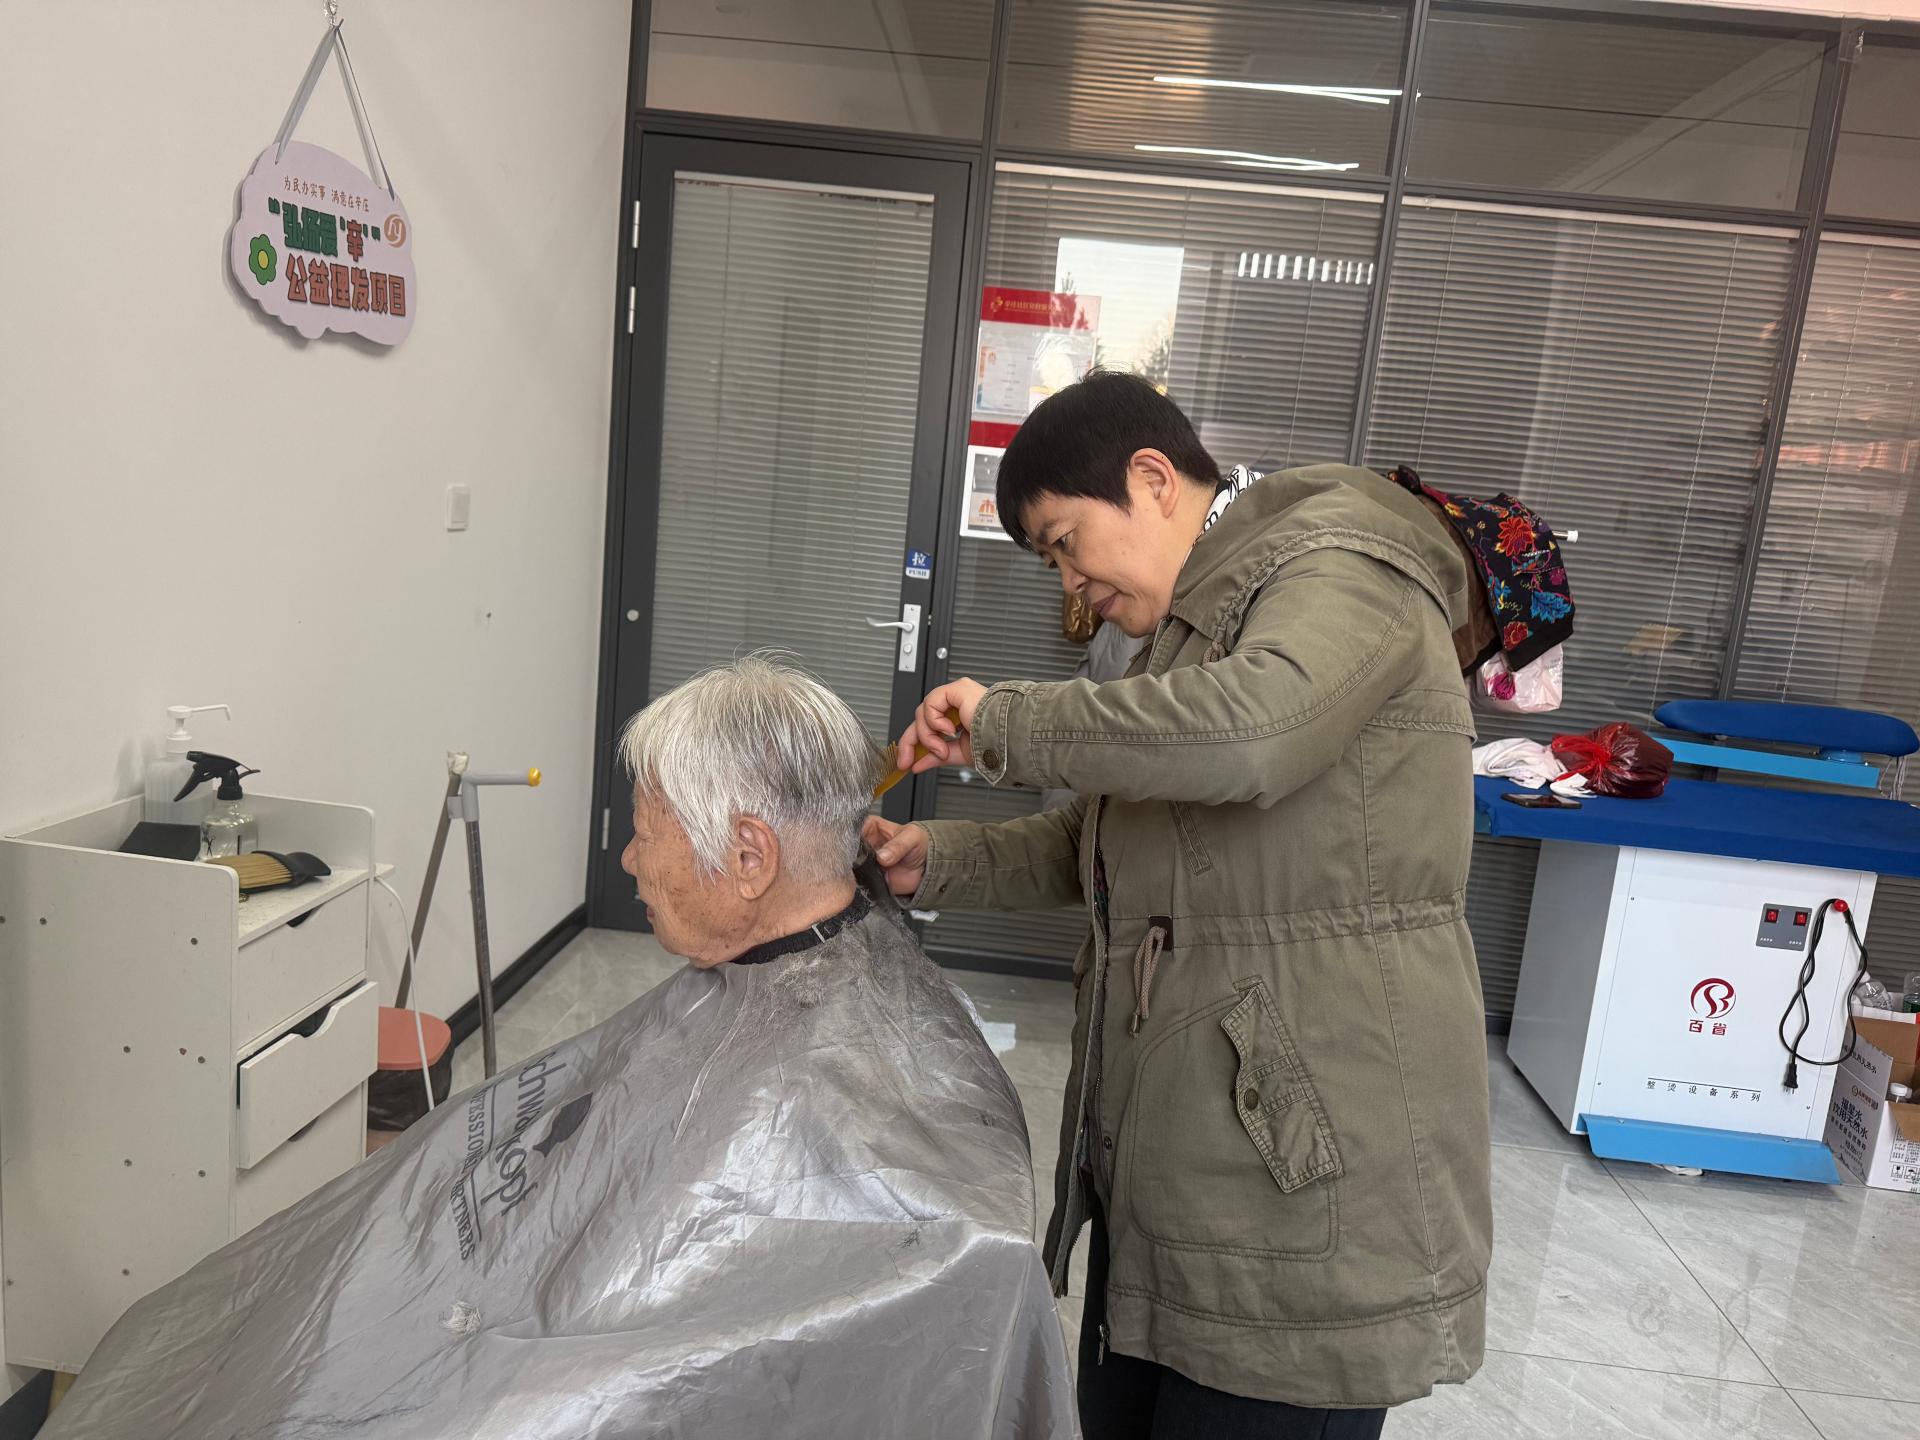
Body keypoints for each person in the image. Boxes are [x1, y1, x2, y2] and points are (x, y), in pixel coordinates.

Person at [45, 657, 1075, 1440]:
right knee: (219, 1331)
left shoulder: (884, 1129)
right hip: (413, 1309)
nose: (626, 856)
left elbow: (960, 1267)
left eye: (646, 830)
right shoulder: (765, 980)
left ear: (749, 855)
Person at [868, 372, 1493, 1438]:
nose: (1072, 582)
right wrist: (939, 861)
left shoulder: (1344, 565)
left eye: (1066, 543)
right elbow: (1107, 841)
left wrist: (1010, 723)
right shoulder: (1189, 629)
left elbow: (1253, 733)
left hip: (1303, 1191)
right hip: (1185, 1177)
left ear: (1154, 480)